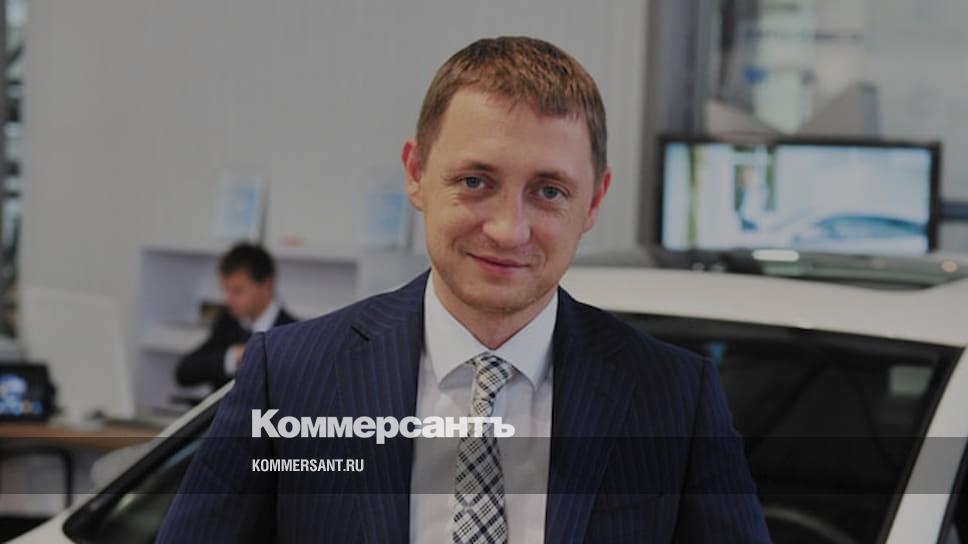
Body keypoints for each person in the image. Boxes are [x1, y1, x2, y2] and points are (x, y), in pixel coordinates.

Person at [158, 37, 770, 543]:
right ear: (416, 173)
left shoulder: (674, 398)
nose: (508, 229)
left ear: (594, 201)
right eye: (476, 181)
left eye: (549, 191)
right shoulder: (294, 377)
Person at [174, 242, 297, 391]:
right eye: (225, 290)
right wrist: (232, 357)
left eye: (237, 291)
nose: (228, 299)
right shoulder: (228, 321)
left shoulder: (294, 333)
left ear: (267, 285)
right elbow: (184, 372)